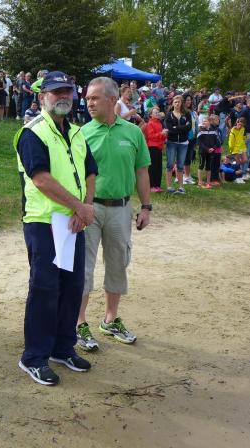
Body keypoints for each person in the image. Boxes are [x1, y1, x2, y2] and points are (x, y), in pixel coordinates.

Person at [15, 71, 97, 385]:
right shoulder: (32, 132)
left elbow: (90, 171)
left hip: (73, 222)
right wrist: (79, 207)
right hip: (43, 222)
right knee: (45, 289)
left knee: (73, 286)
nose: (63, 96)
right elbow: (41, 179)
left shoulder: (76, 132)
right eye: (56, 91)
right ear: (42, 97)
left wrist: (85, 206)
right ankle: (34, 357)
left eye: (67, 91)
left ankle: (63, 348)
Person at [77, 76, 150, 352]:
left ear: (111, 99)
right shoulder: (81, 133)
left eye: (94, 98)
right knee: (84, 267)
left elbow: (141, 171)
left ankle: (110, 320)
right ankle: (79, 323)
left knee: (118, 264)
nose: (89, 103)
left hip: (121, 208)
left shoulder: (133, 133)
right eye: (87, 98)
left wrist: (146, 207)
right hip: (89, 209)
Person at [164, 95, 191, 194]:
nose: (177, 104)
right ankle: (169, 186)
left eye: (179, 102)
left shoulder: (187, 114)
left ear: (181, 103)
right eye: (175, 102)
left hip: (183, 143)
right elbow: (170, 129)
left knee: (180, 165)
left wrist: (176, 128)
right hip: (171, 142)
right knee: (170, 164)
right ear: (172, 103)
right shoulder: (169, 115)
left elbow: (189, 127)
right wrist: (182, 127)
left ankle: (181, 187)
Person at [140, 106, 165, 192]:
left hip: (159, 146)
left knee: (159, 167)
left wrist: (164, 135)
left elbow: (161, 136)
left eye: (158, 112)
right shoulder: (150, 123)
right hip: (152, 146)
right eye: (155, 113)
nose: (157, 114)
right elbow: (150, 136)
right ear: (151, 115)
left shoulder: (159, 123)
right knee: (153, 167)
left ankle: (157, 185)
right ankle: (151, 185)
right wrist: (161, 134)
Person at [196, 117, 220, 188]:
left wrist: (213, 148)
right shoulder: (201, 131)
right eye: (203, 121)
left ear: (209, 122)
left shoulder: (214, 131)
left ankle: (208, 182)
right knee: (201, 165)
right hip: (202, 151)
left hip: (211, 152)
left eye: (205, 121)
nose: (204, 122)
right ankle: (200, 181)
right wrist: (207, 149)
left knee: (208, 167)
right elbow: (199, 142)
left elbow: (217, 141)